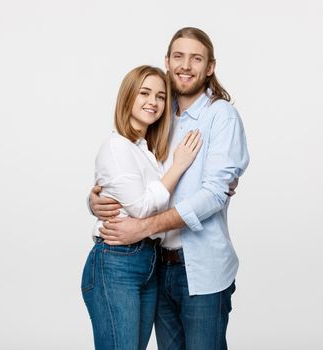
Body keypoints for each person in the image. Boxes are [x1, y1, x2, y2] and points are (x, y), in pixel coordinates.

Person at [90, 27, 249, 350]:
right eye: (178, 56)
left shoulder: (221, 116)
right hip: (156, 267)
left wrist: (144, 226)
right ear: (167, 61)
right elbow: (129, 170)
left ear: (210, 67)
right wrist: (96, 199)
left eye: (196, 58)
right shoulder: (159, 113)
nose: (186, 65)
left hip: (202, 270)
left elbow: (214, 195)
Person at [81, 65, 202, 350]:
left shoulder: (147, 150)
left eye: (161, 96)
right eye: (145, 93)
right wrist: (180, 165)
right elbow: (142, 207)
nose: (154, 102)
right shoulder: (118, 146)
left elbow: (158, 197)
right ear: (128, 97)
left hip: (148, 261)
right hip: (116, 262)